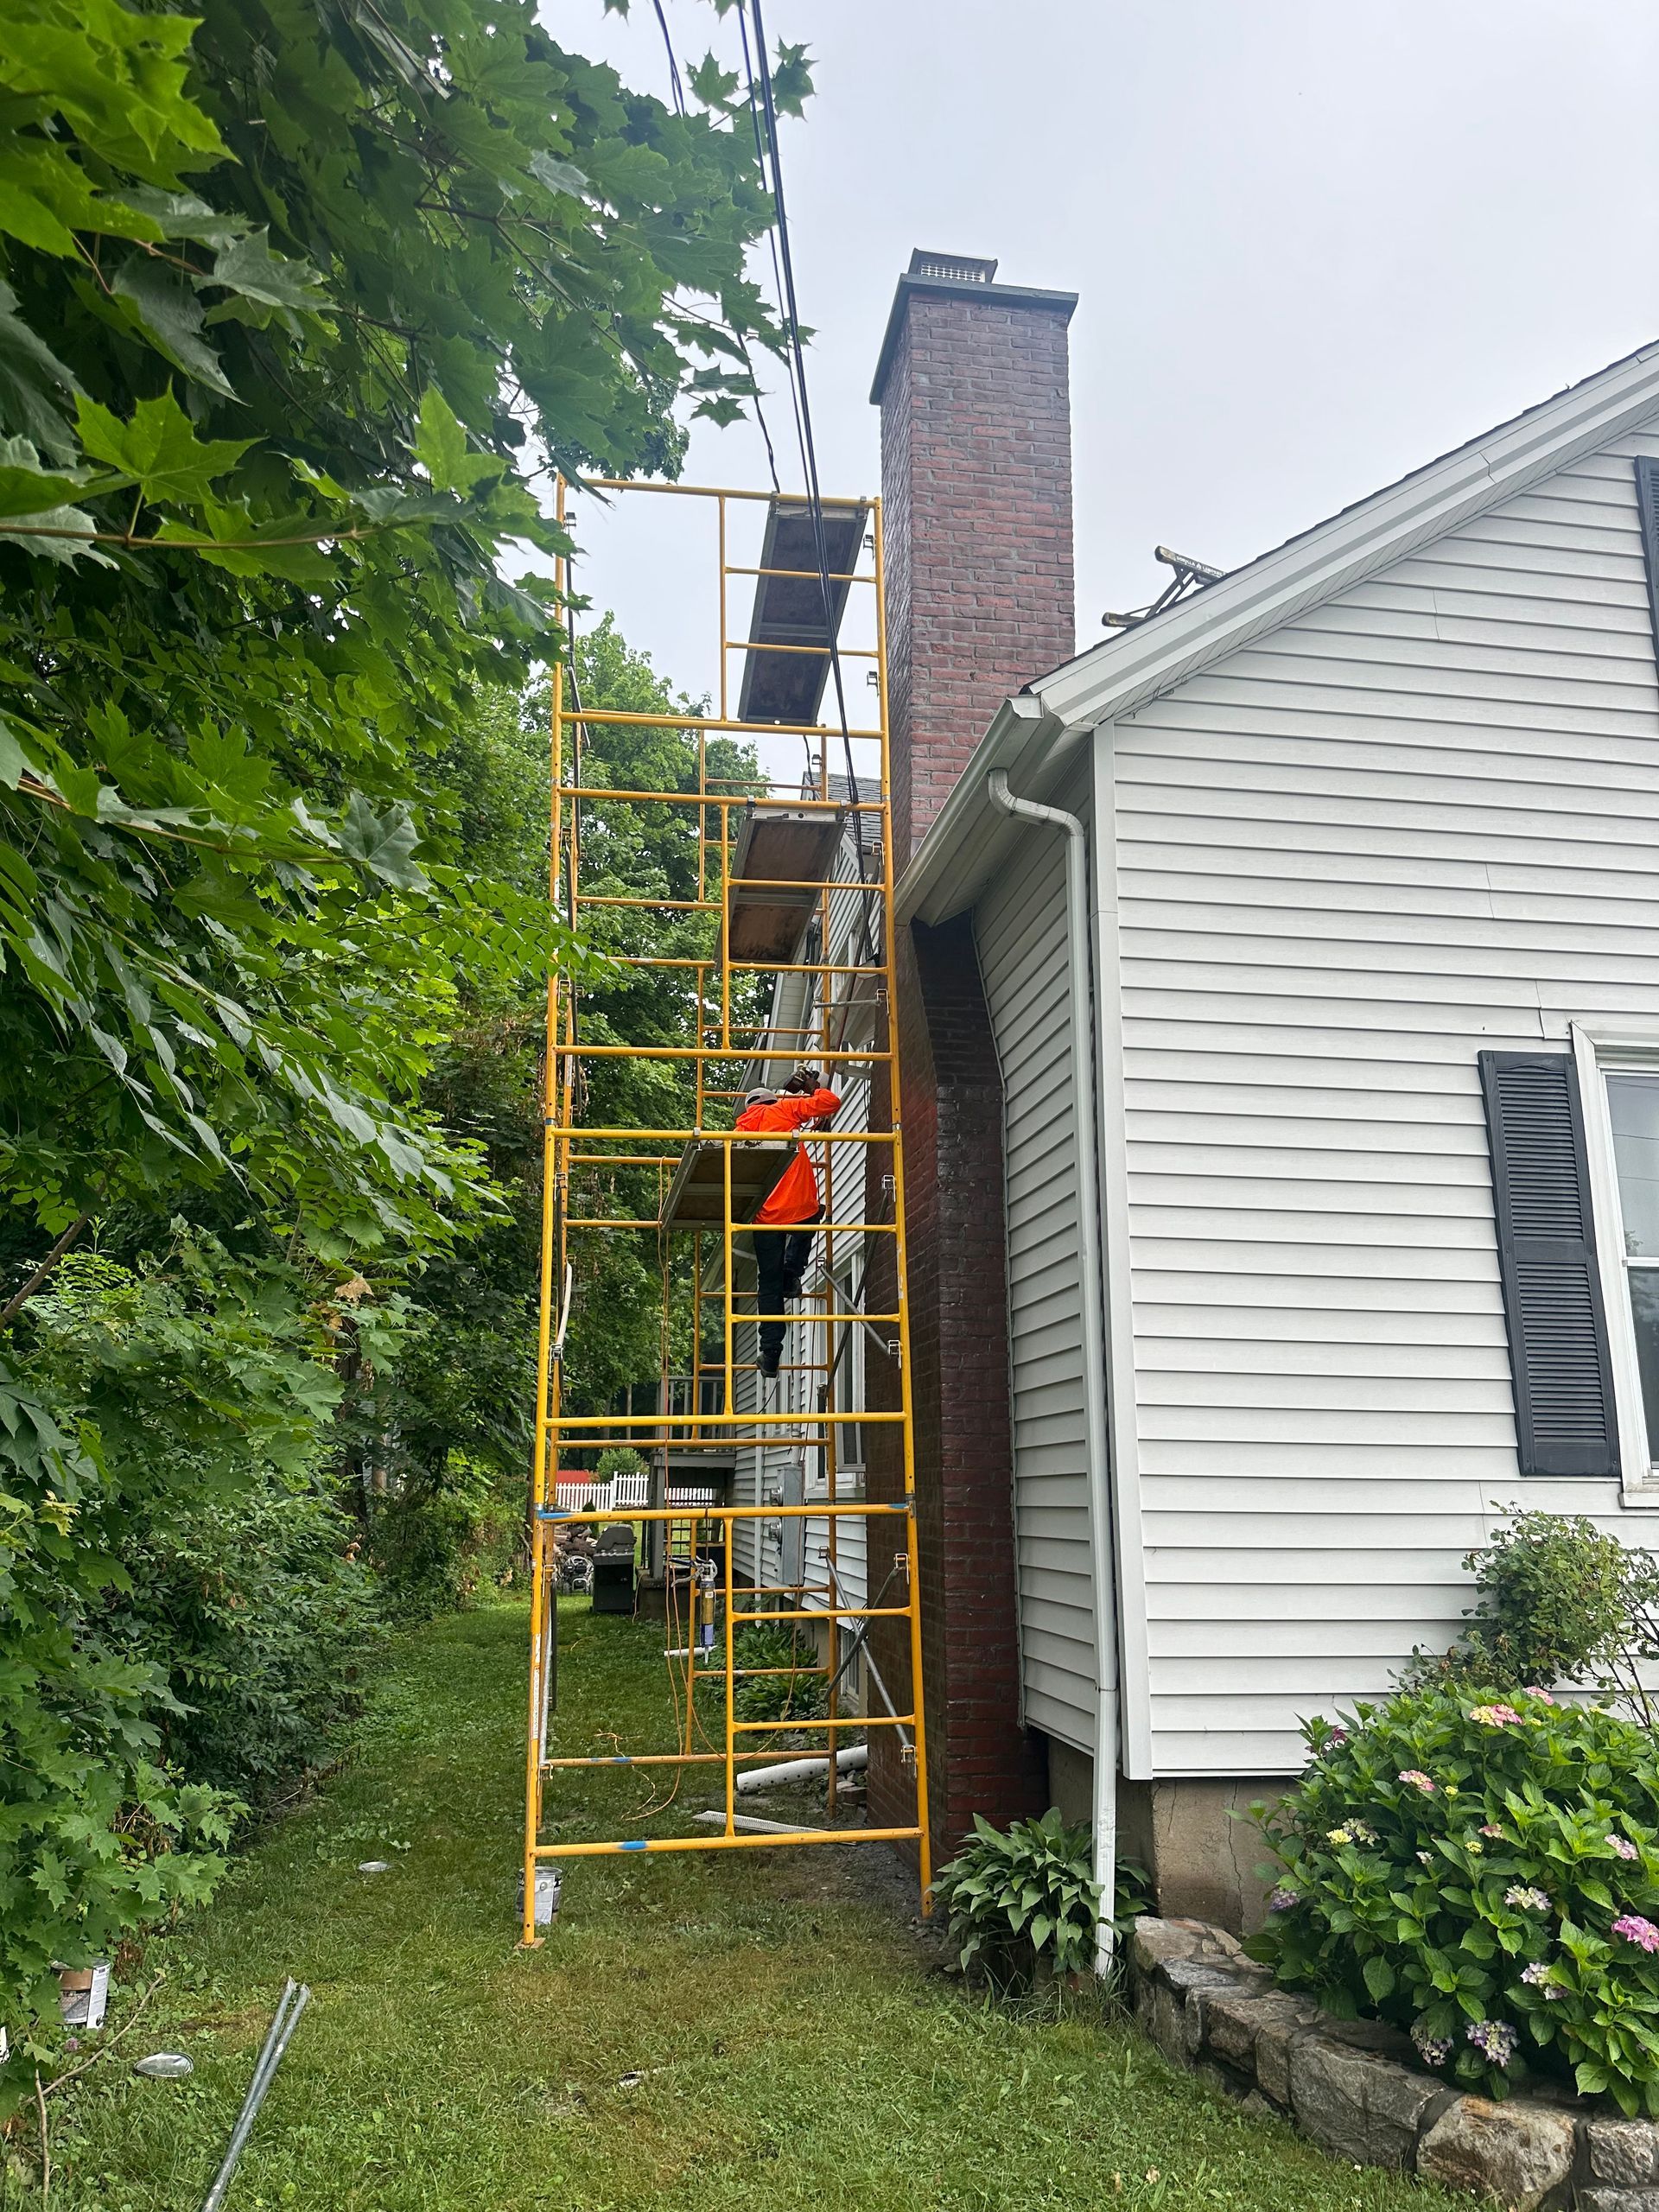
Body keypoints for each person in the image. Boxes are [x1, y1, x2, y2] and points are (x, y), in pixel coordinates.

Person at [735, 1065, 841, 1382]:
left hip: (766, 1215)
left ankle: (770, 1354)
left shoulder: (740, 1132)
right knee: (813, 1213)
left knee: (767, 1285)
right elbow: (831, 1101)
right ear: (770, 1100)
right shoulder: (786, 1108)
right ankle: (792, 1274)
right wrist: (811, 1087)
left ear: (748, 1109)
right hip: (799, 1206)